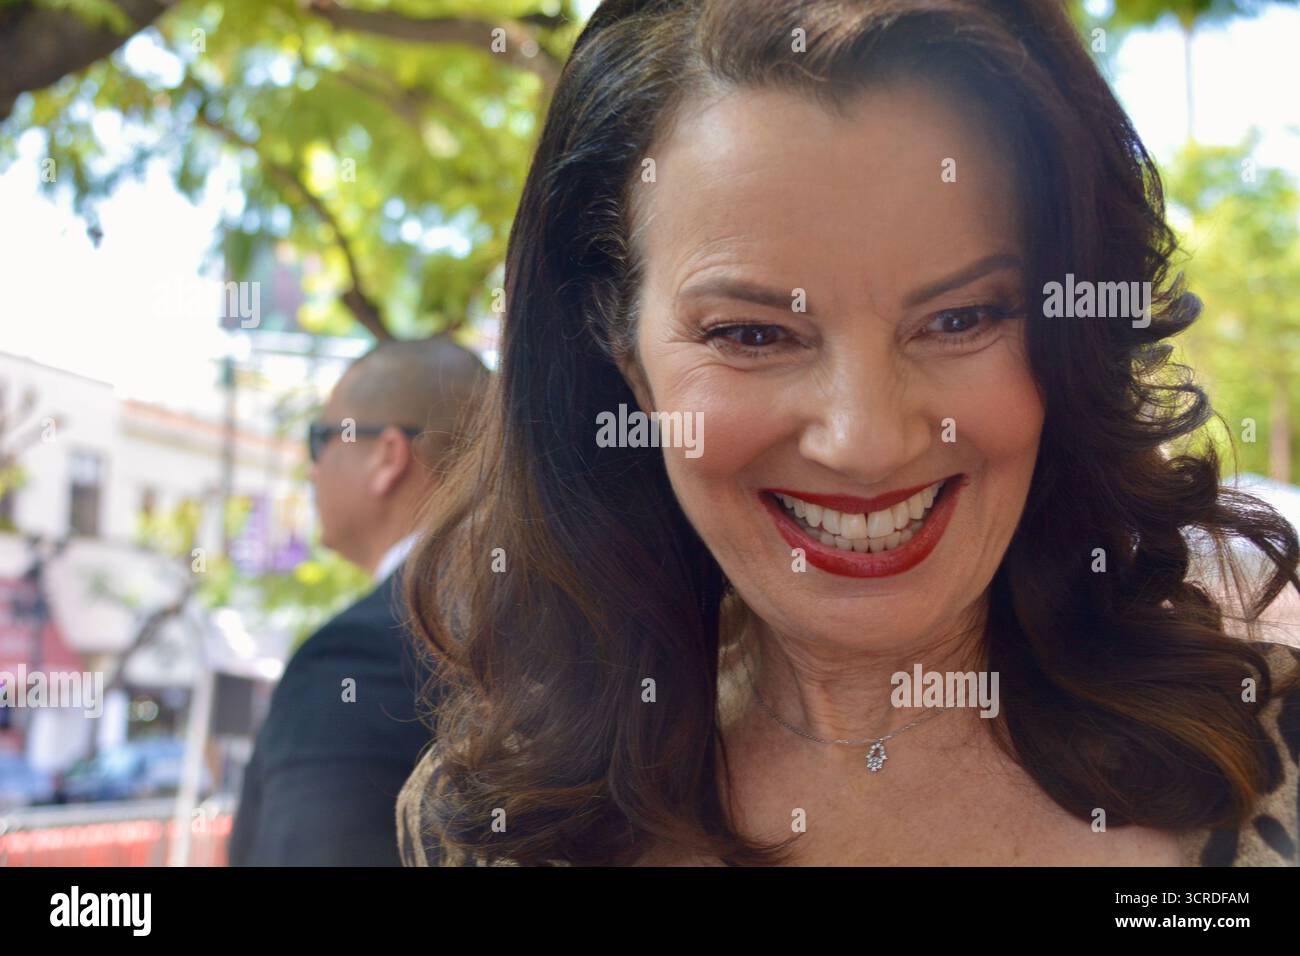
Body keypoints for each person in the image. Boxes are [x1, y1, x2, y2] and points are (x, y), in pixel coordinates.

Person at [396, 0, 1300, 867]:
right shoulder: (493, 827)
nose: (866, 442)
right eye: (752, 335)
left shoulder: (1275, 763)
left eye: (960, 318)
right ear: (624, 360)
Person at [230, 335, 487, 866]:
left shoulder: (359, 653)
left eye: (320, 439)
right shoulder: (559, 619)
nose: (311, 468)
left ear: (387, 457)